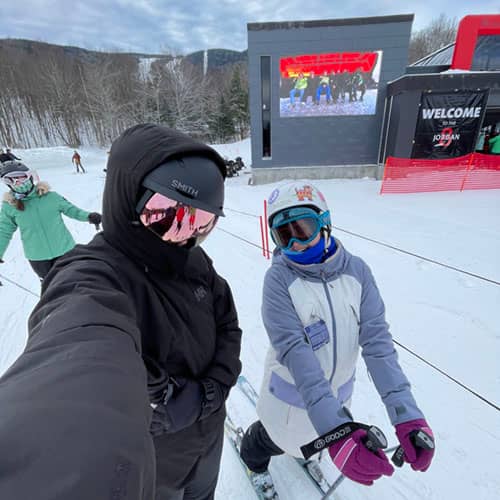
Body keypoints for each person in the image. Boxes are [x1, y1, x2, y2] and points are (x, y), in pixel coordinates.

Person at [0, 124, 242, 500]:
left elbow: (229, 328)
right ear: (127, 198)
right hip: (158, 463)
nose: (185, 234)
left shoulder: (195, 261)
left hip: (207, 445)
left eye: (201, 221)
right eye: (166, 214)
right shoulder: (93, 275)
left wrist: (209, 395)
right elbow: (78, 350)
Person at [239, 181, 434, 490]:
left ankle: (313, 448)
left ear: (325, 223)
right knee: (271, 439)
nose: (297, 244)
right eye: (284, 236)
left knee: (311, 442)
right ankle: (253, 460)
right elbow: (294, 352)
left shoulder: (357, 273)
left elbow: (378, 345)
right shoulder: (278, 280)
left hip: (335, 404)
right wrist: (337, 431)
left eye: (304, 229)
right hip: (289, 402)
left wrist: (406, 415)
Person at [0, 160, 101, 279]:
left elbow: (73, 211)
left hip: (65, 251)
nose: (17, 183)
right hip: (38, 258)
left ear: (30, 177)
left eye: (21, 178)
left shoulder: (51, 197)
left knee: (75, 281)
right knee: (51, 290)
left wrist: (89, 216)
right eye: (10, 180)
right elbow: (3, 231)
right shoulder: (9, 206)